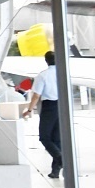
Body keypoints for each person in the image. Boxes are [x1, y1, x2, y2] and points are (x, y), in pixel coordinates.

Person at [26, 49, 63, 180]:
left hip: (50, 106)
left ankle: (60, 158)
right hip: (62, 106)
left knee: (45, 137)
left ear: (46, 61)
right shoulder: (62, 73)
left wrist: (29, 110)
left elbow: (36, 95)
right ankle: (55, 170)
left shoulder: (43, 75)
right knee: (57, 139)